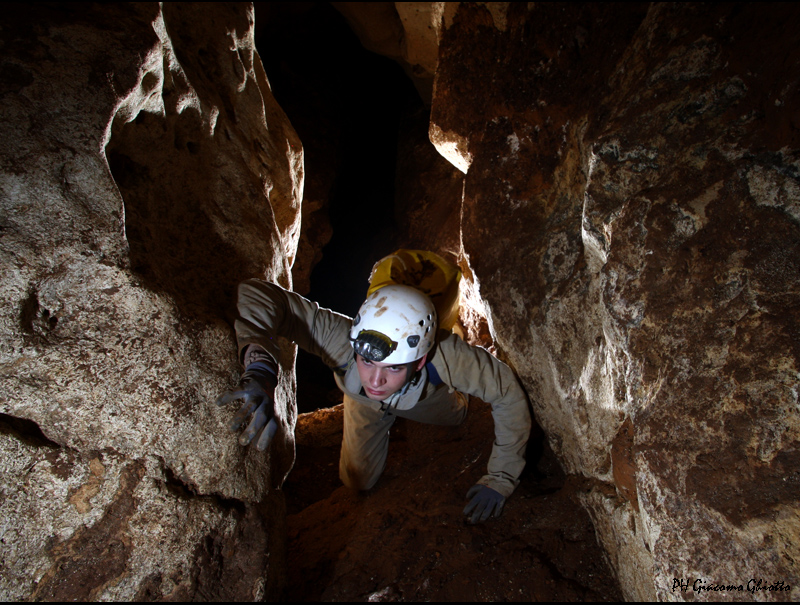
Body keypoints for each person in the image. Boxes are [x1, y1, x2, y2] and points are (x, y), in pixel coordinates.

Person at [215, 278, 531, 523]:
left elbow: (507, 393)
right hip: (361, 403)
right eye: (367, 362)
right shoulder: (341, 339)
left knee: (457, 415)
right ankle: (386, 402)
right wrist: (259, 367)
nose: (376, 381)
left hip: (424, 396)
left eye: (393, 367)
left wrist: (500, 478)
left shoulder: (446, 356)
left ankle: (452, 339)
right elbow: (256, 293)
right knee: (357, 480)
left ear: (418, 361)